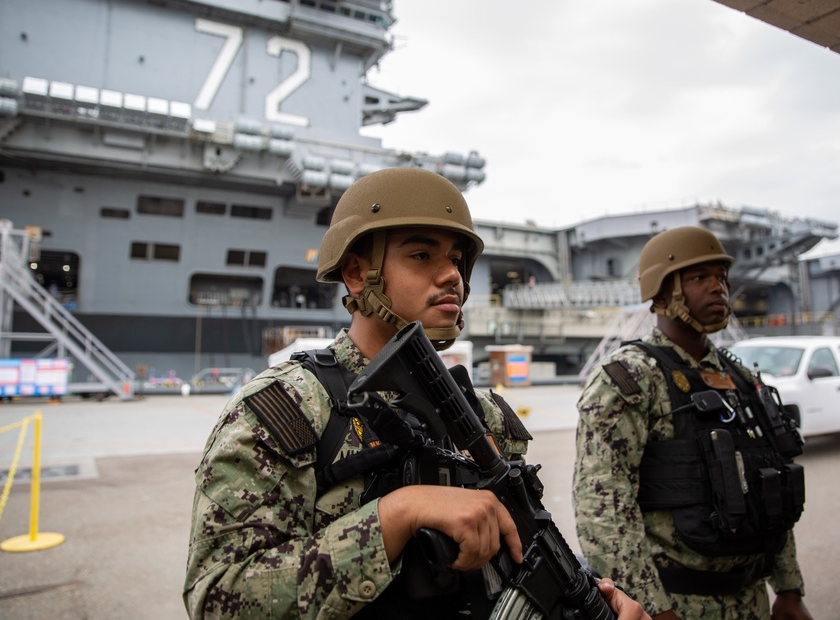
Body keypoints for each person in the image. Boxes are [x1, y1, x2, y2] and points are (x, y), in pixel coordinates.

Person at [184, 167, 648, 619]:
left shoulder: (484, 415)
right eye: (422, 256)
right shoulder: (290, 408)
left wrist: (589, 596)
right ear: (355, 274)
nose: (452, 276)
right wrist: (396, 516)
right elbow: (218, 596)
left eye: (457, 259)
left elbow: (519, 557)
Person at [572, 226, 813, 620]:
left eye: (721, 277)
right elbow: (604, 509)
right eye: (700, 277)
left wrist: (789, 589)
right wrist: (654, 609)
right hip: (678, 603)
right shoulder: (631, 379)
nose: (718, 288)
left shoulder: (742, 380)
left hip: (751, 600)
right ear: (663, 292)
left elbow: (772, 484)